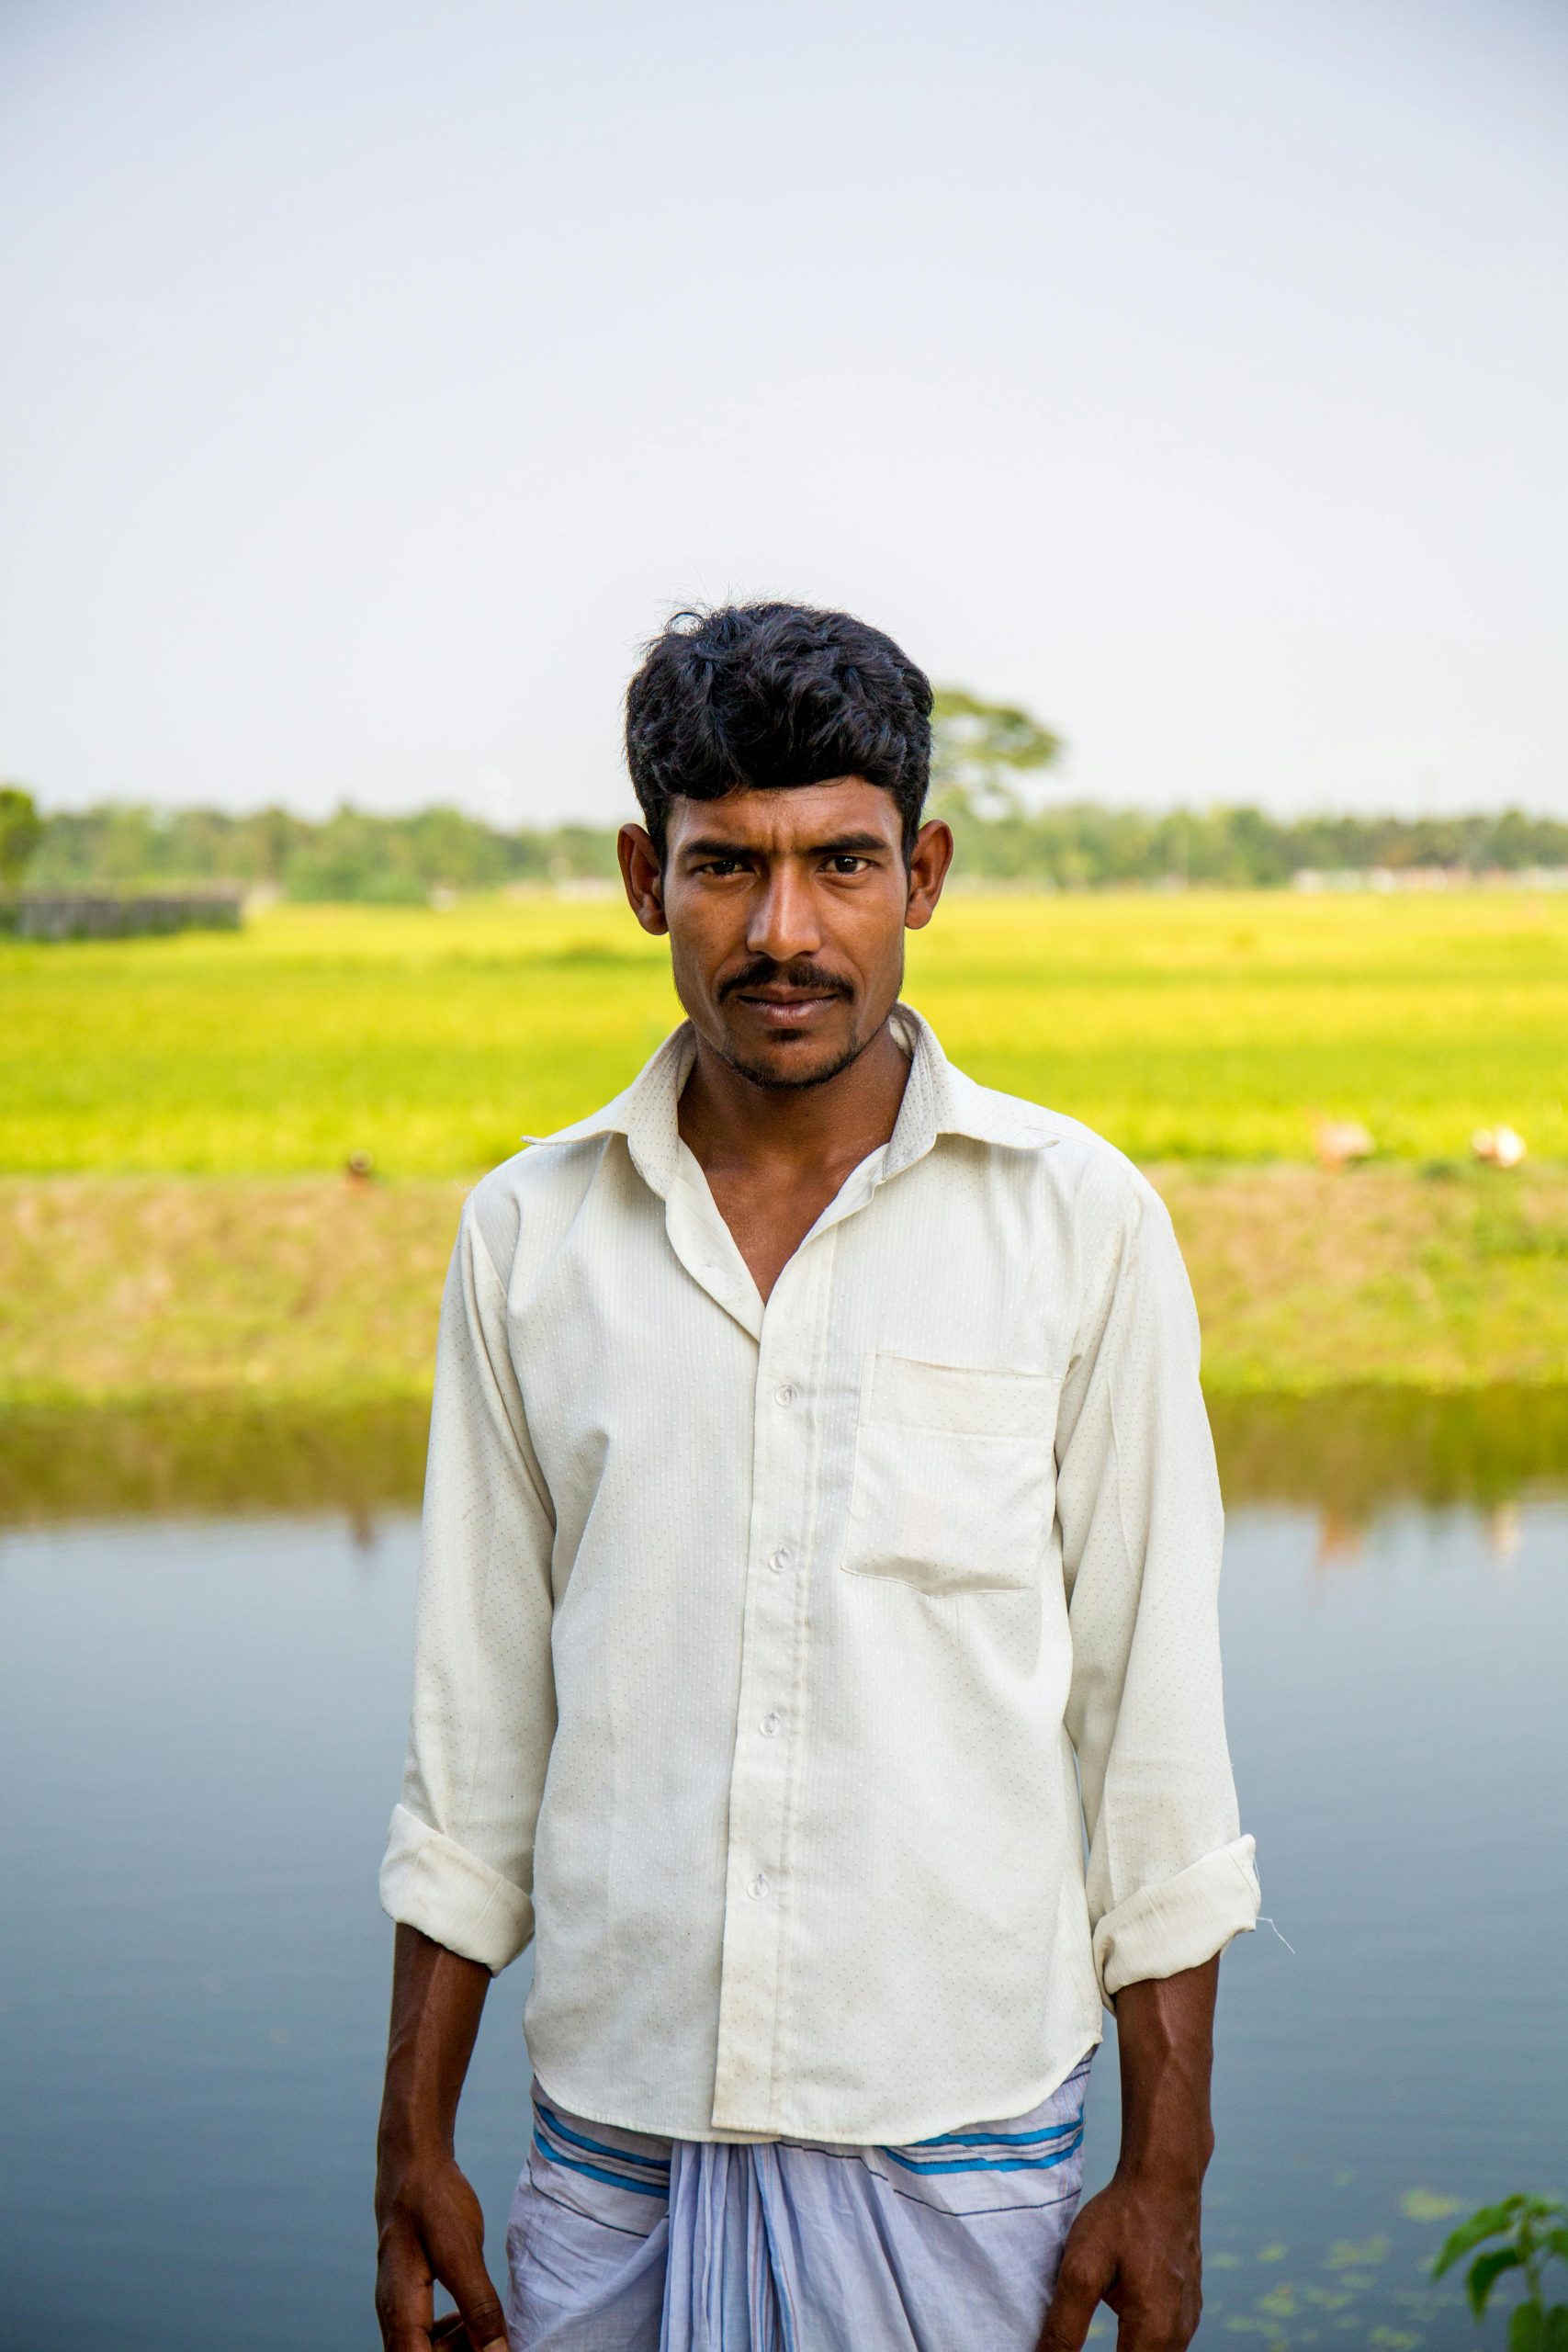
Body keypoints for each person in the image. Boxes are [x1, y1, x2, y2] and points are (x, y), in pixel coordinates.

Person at [373, 602, 1260, 2352]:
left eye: (841, 862)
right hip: (610, 2150)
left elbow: (1151, 1733)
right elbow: (474, 1743)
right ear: (647, 878)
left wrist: (1168, 2175)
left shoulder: (1077, 1225)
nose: (785, 931)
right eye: (728, 869)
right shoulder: (530, 1238)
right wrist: (410, 2136)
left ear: (922, 873)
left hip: (965, 2150)